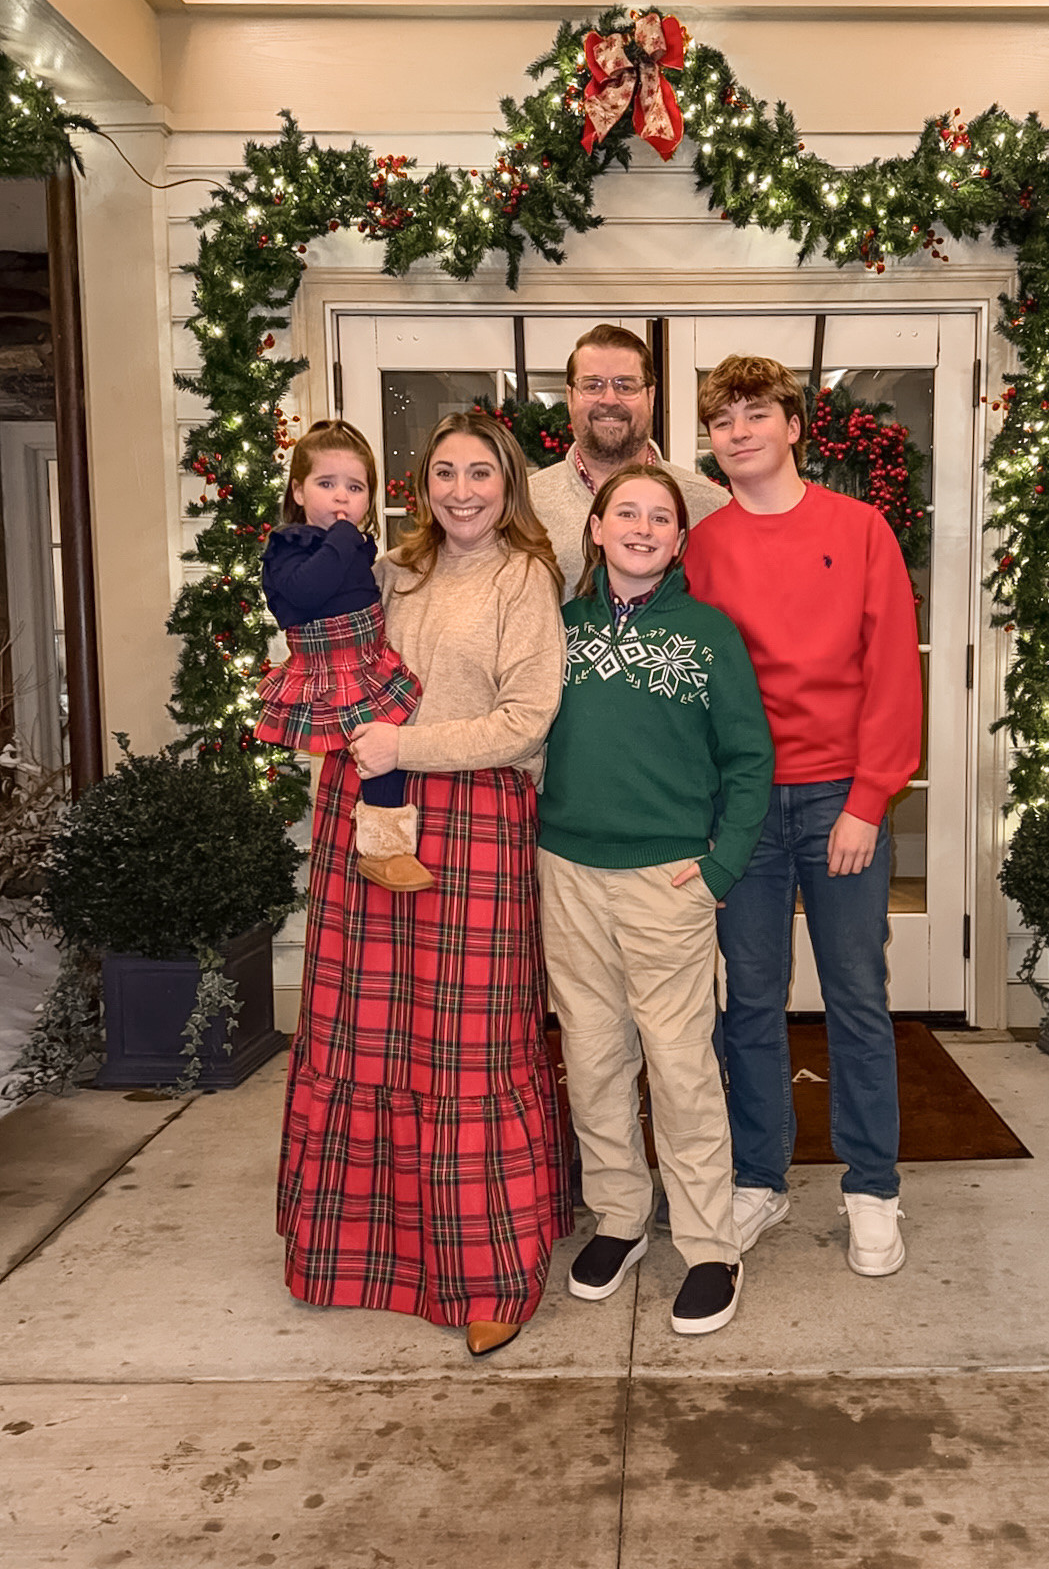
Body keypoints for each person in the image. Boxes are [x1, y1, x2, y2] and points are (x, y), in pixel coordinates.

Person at [277, 411, 573, 1358]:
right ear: (421, 485)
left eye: (480, 472)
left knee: (468, 1049)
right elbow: (324, 655)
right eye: (444, 472)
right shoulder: (389, 569)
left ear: (507, 483)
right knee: (364, 1036)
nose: (461, 491)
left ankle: (489, 1268)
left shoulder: (525, 578)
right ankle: (355, 1254)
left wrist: (409, 746)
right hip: (363, 812)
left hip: (475, 818)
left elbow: (527, 720)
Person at [687, 356, 922, 1277]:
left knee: (857, 996)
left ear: (793, 426)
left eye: (756, 414)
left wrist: (868, 799)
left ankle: (873, 1189)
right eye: (722, 421)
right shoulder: (701, 546)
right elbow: (691, 689)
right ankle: (759, 1178)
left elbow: (892, 670)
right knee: (749, 999)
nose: (739, 432)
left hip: (838, 799)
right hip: (740, 804)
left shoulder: (859, 530)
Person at [537, 465, 774, 1333]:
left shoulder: (708, 635)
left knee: (680, 1065)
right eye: (625, 513)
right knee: (594, 1057)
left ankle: (710, 1245)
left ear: (679, 540)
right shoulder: (557, 628)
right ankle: (621, 1217)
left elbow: (749, 759)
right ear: (596, 529)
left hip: (666, 881)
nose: (641, 528)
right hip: (567, 873)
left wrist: (720, 869)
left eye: (661, 518)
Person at [255, 418, 431, 893]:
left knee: (387, 752)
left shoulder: (355, 546)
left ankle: (388, 847)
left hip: (368, 659)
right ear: (297, 490)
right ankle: (383, 852)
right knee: (378, 756)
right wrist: (341, 537)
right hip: (333, 668)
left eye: (355, 487)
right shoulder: (288, 546)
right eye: (326, 484)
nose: (341, 498)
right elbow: (306, 590)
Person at [530, 323, 728, 597]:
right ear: (570, 396)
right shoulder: (524, 505)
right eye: (592, 385)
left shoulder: (711, 507)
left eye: (625, 385)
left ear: (651, 396)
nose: (609, 399)